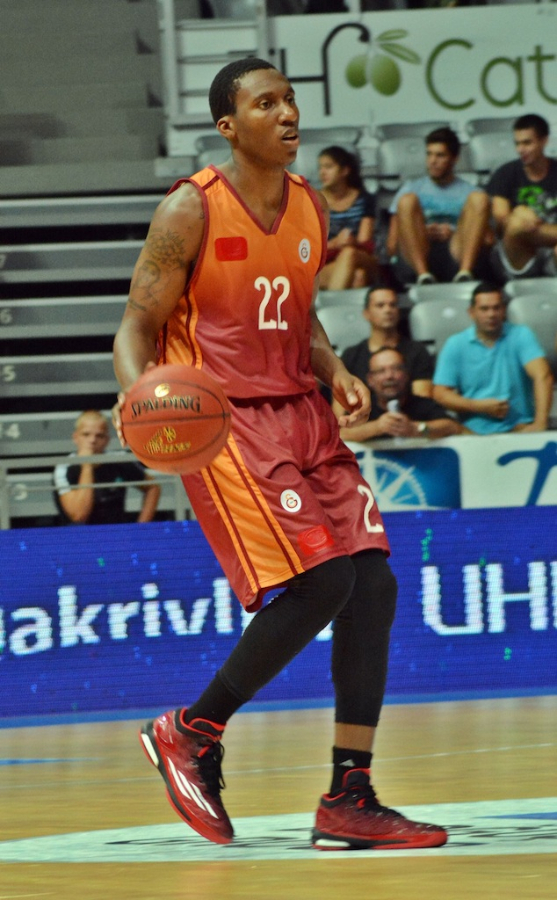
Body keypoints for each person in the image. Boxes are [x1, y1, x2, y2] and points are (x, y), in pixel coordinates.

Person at [113, 57, 447, 852]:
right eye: (266, 104)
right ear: (229, 127)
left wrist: (333, 369)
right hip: (226, 420)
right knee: (321, 578)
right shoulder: (190, 209)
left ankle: (348, 796)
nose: (288, 113)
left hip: (302, 410)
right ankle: (191, 730)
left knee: (371, 582)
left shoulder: (307, 206)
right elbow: (135, 324)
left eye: (290, 100)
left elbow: (297, 314)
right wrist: (142, 406)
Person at [433, 283, 554, 434]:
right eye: (484, 309)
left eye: (496, 308)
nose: (491, 314)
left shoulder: (521, 334)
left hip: (520, 428)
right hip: (472, 433)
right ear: (471, 312)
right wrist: (478, 406)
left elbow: (543, 376)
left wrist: (540, 423)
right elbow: (440, 393)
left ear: (504, 311)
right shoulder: (455, 344)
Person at [386, 127, 492, 285]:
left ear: (454, 158)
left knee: (479, 198)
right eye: (429, 154)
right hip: (419, 253)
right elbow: (392, 245)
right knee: (407, 201)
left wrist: (455, 232)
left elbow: (489, 241)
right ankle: (423, 277)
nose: (432, 161)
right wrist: (420, 231)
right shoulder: (410, 188)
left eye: (440, 155)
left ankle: (465, 274)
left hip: (457, 253)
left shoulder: (471, 192)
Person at [53, 410, 161, 525]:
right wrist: (87, 466)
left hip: (116, 532)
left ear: (107, 440)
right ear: (75, 437)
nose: (92, 440)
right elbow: (79, 515)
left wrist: (141, 527)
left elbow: (152, 487)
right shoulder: (64, 468)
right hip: (79, 534)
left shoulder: (118, 461)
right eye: (86, 434)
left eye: (99, 436)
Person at [335, 282, 434, 404]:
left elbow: (422, 400)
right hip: (363, 415)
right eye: (380, 305)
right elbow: (340, 407)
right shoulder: (351, 355)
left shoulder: (417, 351)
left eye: (393, 305)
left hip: (409, 415)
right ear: (366, 313)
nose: (388, 310)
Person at [486, 113, 557, 283]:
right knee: (516, 223)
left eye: (527, 143)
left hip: (553, 251)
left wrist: (536, 226)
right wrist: (519, 214)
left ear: (544, 141)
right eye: (517, 143)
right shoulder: (505, 173)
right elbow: (502, 221)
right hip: (518, 254)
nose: (520, 149)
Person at [339, 347, 463, 443]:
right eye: (381, 371)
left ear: (407, 374)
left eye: (396, 369)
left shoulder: (423, 404)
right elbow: (341, 433)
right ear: (370, 380)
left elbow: (451, 427)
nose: (389, 376)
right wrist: (377, 427)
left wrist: (416, 428)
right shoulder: (361, 408)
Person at [317, 145, 378, 290]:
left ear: (345, 170)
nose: (322, 172)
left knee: (349, 253)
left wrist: (351, 242)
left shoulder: (364, 199)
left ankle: (331, 303)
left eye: (328, 167)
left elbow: (365, 244)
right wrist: (335, 243)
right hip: (326, 262)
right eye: (320, 167)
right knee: (358, 277)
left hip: (360, 256)